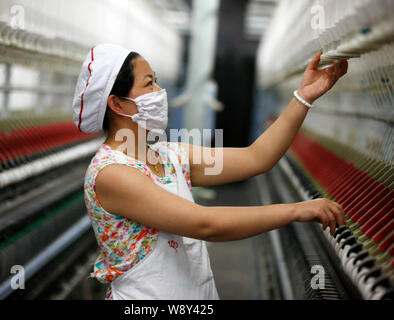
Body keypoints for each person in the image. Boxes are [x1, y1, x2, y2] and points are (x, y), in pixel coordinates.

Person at [72, 43, 348, 300]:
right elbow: (206, 224)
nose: (159, 91)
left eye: (156, 80)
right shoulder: (112, 173)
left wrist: (304, 97)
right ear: (117, 104)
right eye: (149, 83)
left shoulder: (170, 156)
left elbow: (256, 158)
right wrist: (296, 211)